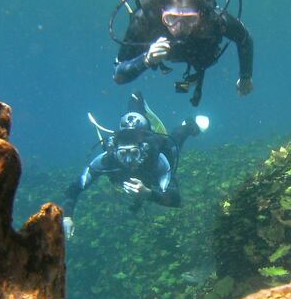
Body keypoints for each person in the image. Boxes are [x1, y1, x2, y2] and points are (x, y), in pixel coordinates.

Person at [113, 0, 254, 107]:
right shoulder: (145, 20)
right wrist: (146, 60)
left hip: (198, 54)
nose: (179, 28)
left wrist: (245, 77)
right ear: (161, 12)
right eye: (171, 19)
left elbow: (245, 39)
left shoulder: (213, 19)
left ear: (200, 13)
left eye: (189, 19)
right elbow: (119, 75)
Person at [61, 91, 209, 239]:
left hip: (157, 155)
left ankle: (189, 125)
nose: (128, 161)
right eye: (123, 154)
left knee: (176, 140)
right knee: (134, 114)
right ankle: (136, 98)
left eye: (133, 153)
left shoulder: (157, 160)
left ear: (143, 151)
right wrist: (67, 216)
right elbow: (75, 188)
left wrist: (148, 193)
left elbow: (176, 199)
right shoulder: (108, 159)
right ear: (115, 152)